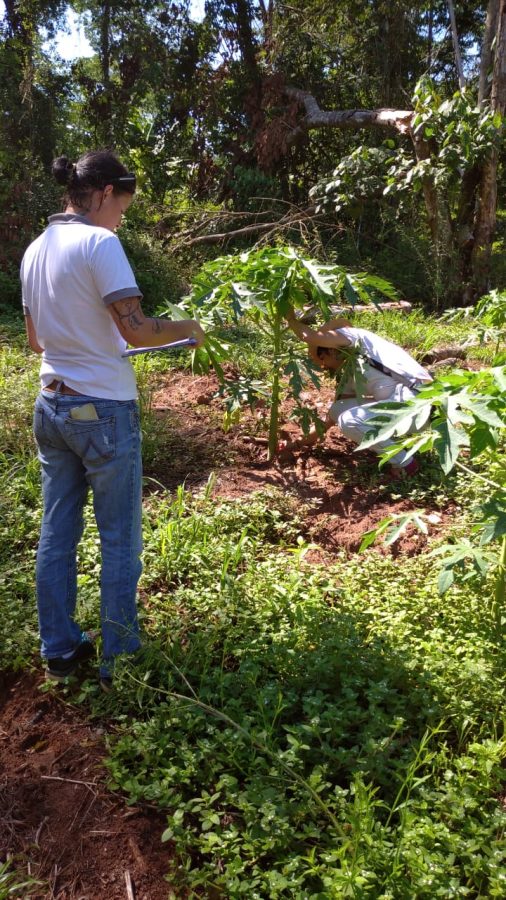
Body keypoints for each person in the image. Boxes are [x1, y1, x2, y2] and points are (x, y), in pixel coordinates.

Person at [20, 150, 205, 691]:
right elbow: (138, 331)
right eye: (123, 204)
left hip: (51, 405)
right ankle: (120, 658)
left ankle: (59, 651)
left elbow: (35, 341)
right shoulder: (101, 243)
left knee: (58, 532)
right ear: (104, 194)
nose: (123, 215)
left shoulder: (36, 249)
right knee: (120, 536)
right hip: (102, 411)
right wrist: (190, 327)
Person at [282, 306, 432, 475]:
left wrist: (290, 320)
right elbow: (332, 415)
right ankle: (391, 446)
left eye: (323, 359)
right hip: (403, 409)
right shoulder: (352, 368)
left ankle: (405, 464)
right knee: (339, 410)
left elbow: (310, 336)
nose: (324, 366)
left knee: (350, 421)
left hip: (420, 403)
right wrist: (298, 443)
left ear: (332, 348)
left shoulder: (354, 337)